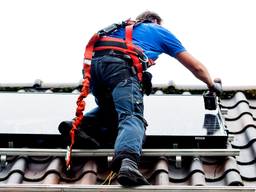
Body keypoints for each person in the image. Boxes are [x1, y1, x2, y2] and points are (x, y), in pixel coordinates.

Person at [59, 10, 222, 186]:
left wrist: (141, 76)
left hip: (93, 70)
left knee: (112, 111)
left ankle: (77, 126)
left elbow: (108, 50)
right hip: (119, 67)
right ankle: (128, 164)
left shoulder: (118, 28)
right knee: (131, 116)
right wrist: (212, 85)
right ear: (155, 21)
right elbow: (195, 67)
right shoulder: (158, 30)